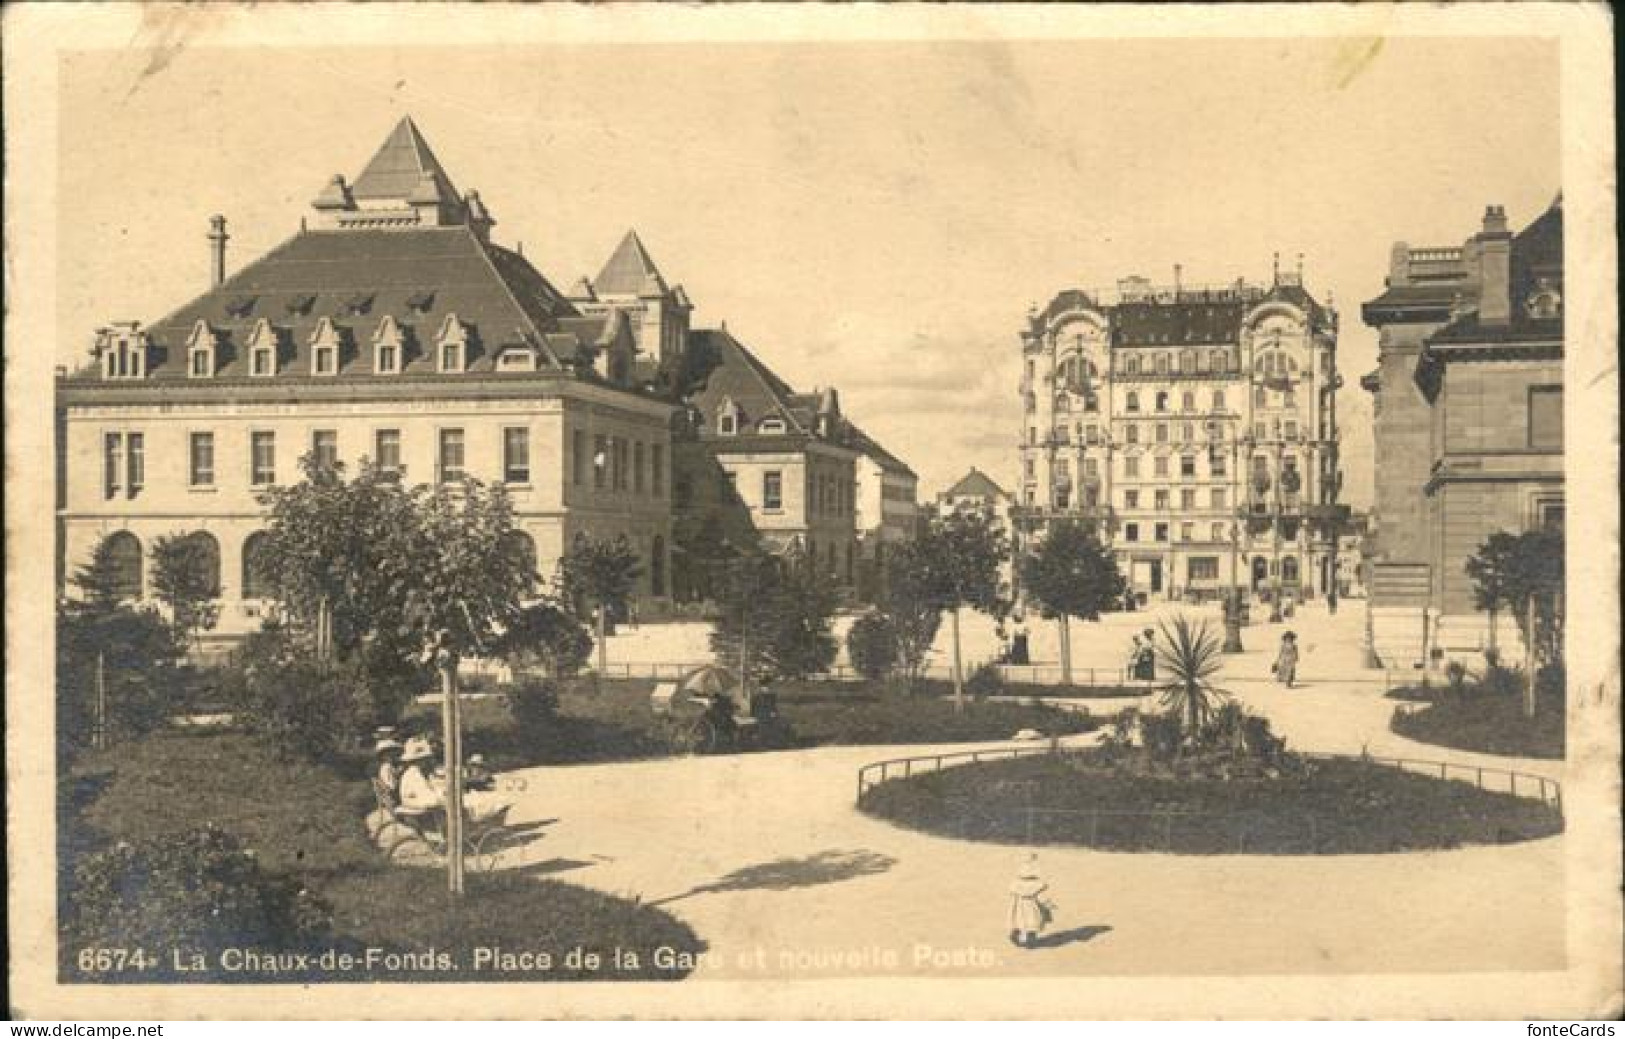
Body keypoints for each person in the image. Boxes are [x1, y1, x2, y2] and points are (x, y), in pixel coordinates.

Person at [396, 737, 447, 839]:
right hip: (416, 810)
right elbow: (430, 800)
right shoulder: (415, 775)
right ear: (418, 761)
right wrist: (442, 796)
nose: (428, 762)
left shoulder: (413, 772)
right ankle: (445, 835)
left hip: (412, 805)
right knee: (449, 804)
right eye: (426, 759)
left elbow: (425, 792)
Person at [1008, 853, 1055, 949]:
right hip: (1032, 907)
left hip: (1019, 906)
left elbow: (1013, 895)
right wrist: (1049, 904)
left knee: (1019, 921)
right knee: (1032, 924)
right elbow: (1041, 897)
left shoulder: (1017, 884)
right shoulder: (1035, 885)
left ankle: (1015, 935)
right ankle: (1030, 942)